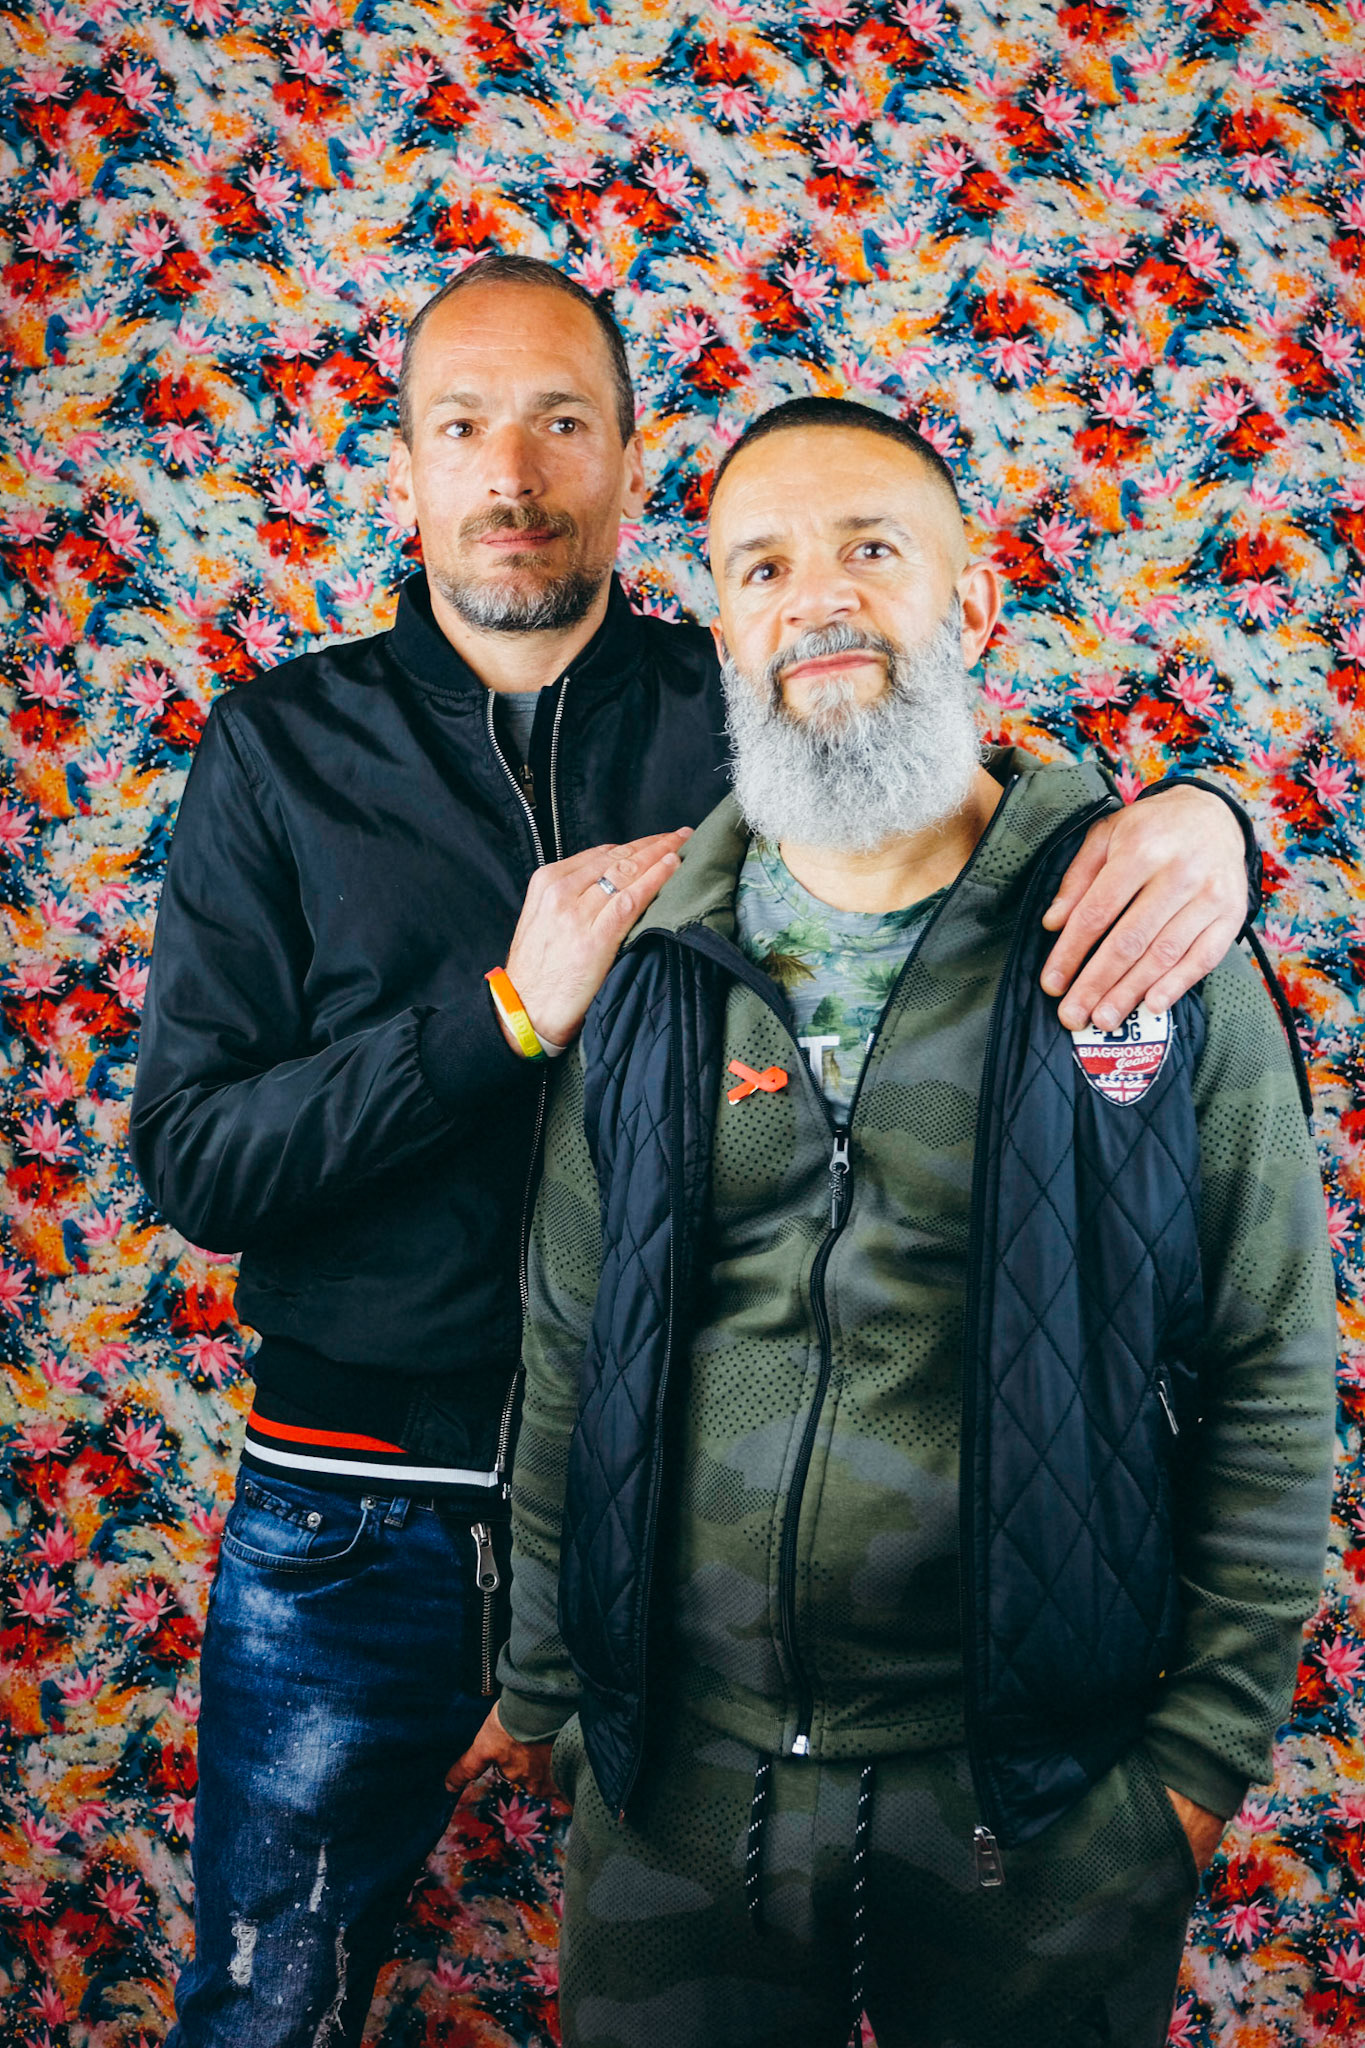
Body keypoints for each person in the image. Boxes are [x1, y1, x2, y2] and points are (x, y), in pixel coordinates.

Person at [131, 255, 1258, 2048]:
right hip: (360, 1510)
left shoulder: (751, 687)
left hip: (689, 1531)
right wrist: (505, 1016)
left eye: (560, 423)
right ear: (400, 467)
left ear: (631, 462)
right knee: (267, 2003)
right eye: (461, 427)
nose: (512, 473)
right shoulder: (277, 749)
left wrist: (1210, 816)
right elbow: (195, 1162)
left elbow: (974, 800)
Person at [469, 397, 1338, 2048]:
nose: (818, 597)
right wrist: (553, 1700)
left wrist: (1195, 1768)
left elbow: (1271, 1365)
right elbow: (570, 1350)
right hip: (676, 1790)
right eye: (762, 567)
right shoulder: (651, 965)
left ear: (973, 598)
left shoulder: (1146, 933)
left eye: (871, 548)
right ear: (725, 631)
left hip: (1038, 1803)